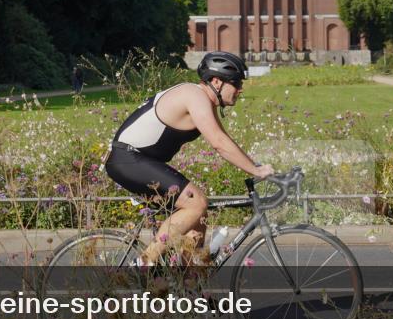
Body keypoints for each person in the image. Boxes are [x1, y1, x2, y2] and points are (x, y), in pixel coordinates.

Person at [104, 51, 275, 265]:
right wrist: (257, 170)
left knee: (198, 220)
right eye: (236, 82)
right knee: (197, 203)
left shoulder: (204, 100)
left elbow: (225, 141)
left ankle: (189, 280)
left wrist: (255, 165)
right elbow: (218, 143)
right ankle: (144, 263)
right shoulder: (195, 96)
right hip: (128, 158)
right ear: (216, 81)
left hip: (139, 160)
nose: (240, 89)